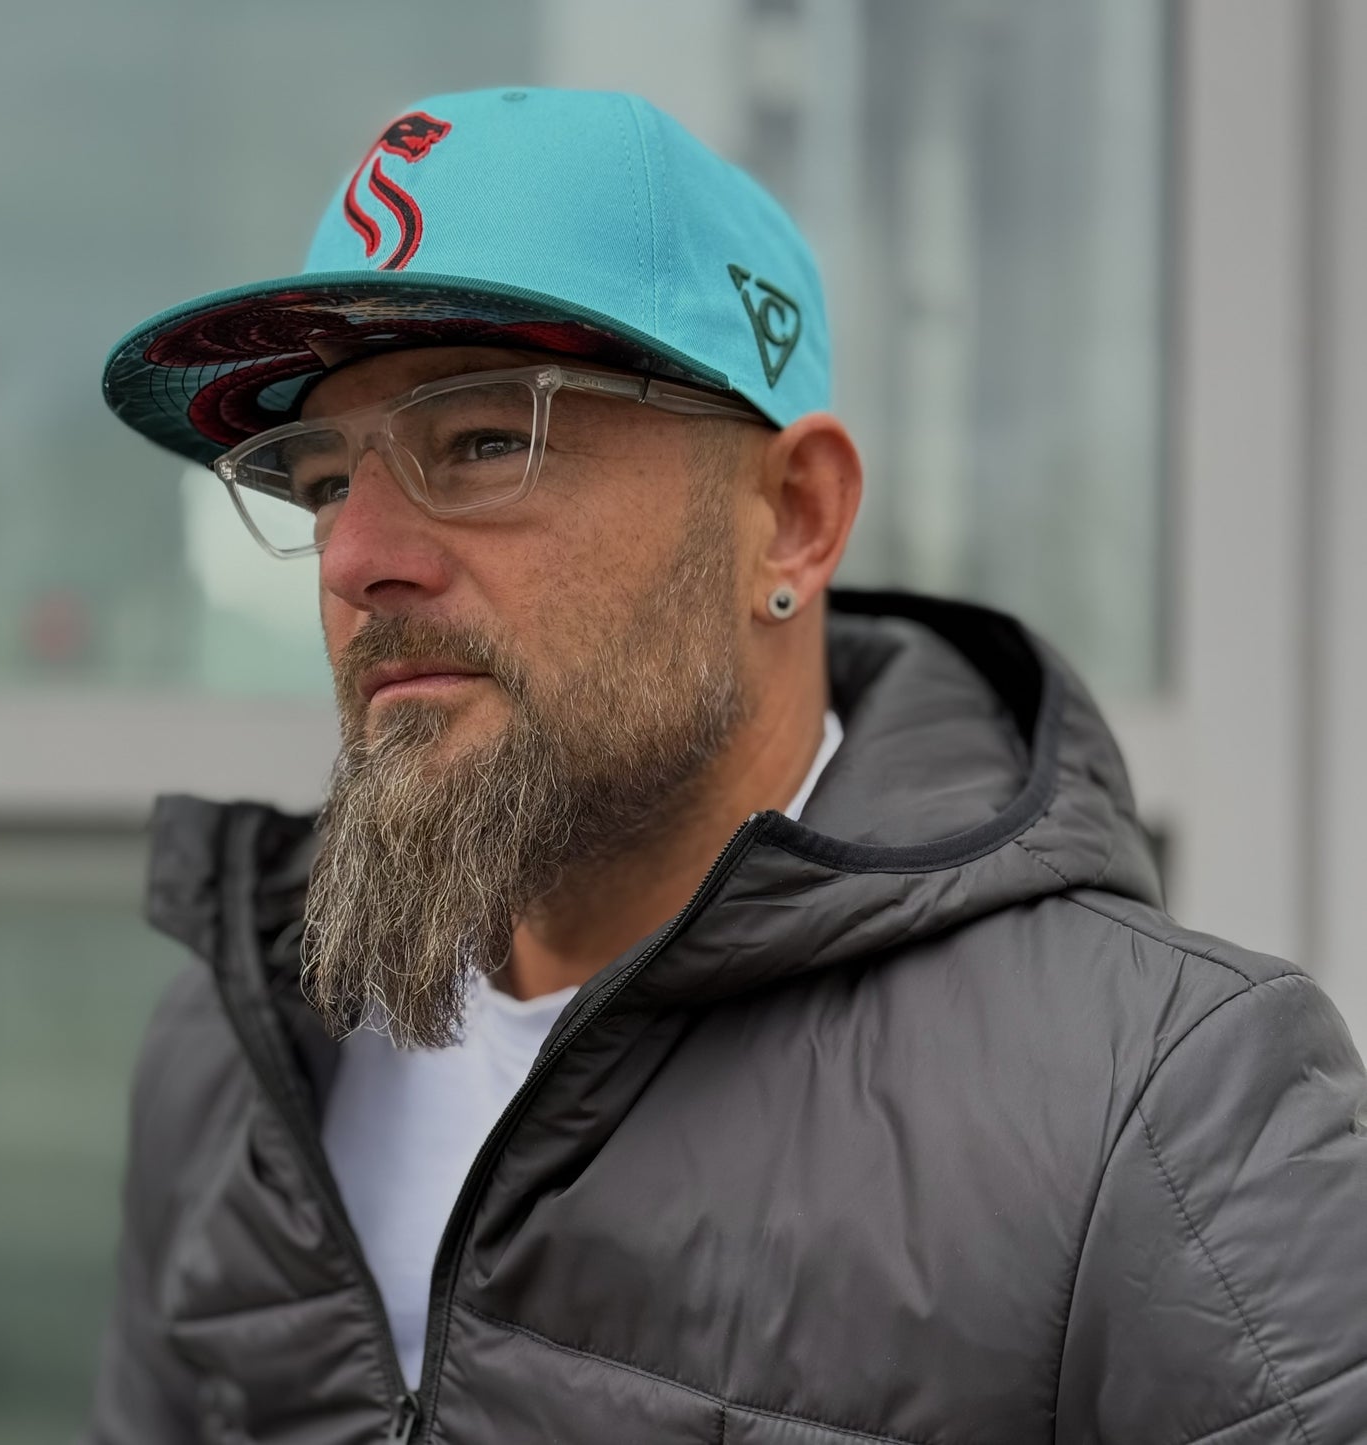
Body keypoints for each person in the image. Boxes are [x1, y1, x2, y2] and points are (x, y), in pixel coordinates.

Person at [86, 86, 1367, 1445]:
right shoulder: (243, 1046)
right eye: (324, 478)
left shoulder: (1156, 1108)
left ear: (792, 518)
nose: (354, 557)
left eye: (480, 439)